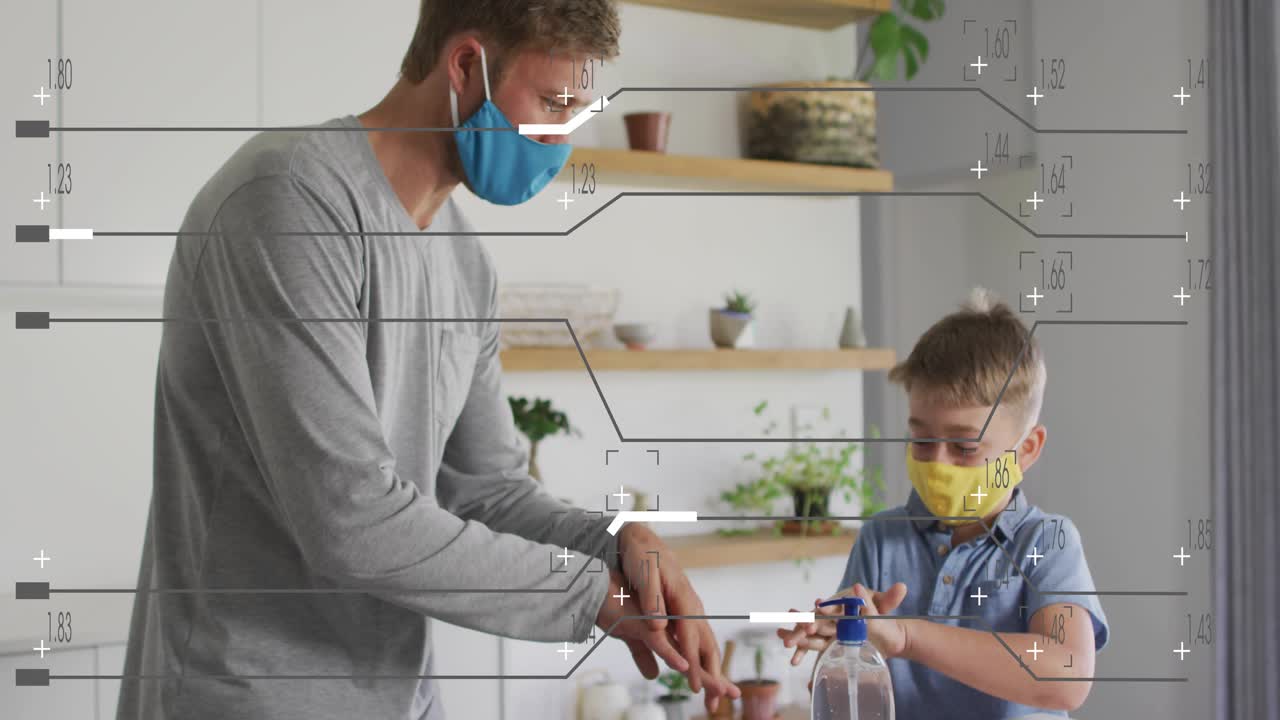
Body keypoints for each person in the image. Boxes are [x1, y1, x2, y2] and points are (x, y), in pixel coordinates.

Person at [117, 2, 736, 718]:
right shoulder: (287, 201)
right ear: (466, 65)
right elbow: (350, 518)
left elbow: (490, 491)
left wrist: (618, 546)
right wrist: (590, 591)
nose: (560, 136)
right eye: (552, 102)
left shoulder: (464, 264)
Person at [779, 289, 1109, 718]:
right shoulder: (882, 539)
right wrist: (843, 649)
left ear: (1026, 449)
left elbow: (1067, 674)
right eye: (921, 439)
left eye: (964, 446)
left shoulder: (1048, 541)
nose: (937, 462)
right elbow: (849, 702)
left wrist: (907, 637)